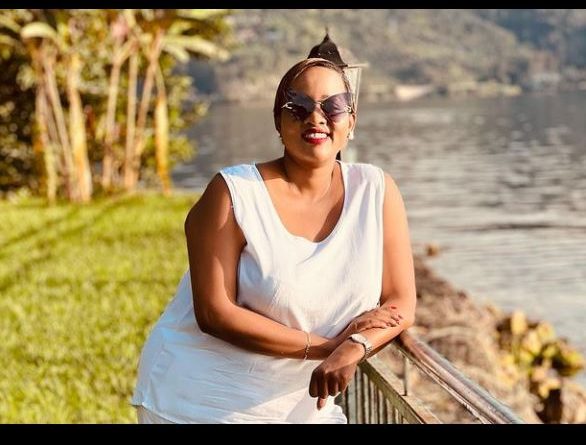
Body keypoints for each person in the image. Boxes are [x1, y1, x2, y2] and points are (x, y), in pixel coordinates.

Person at [131, 57, 417, 424]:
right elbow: (214, 313)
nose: (316, 118)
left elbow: (401, 303)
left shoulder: (377, 191)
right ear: (278, 122)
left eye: (333, 106)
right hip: (200, 401)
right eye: (298, 107)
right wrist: (330, 348)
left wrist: (356, 345)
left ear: (351, 120)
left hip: (304, 405)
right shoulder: (233, 193)